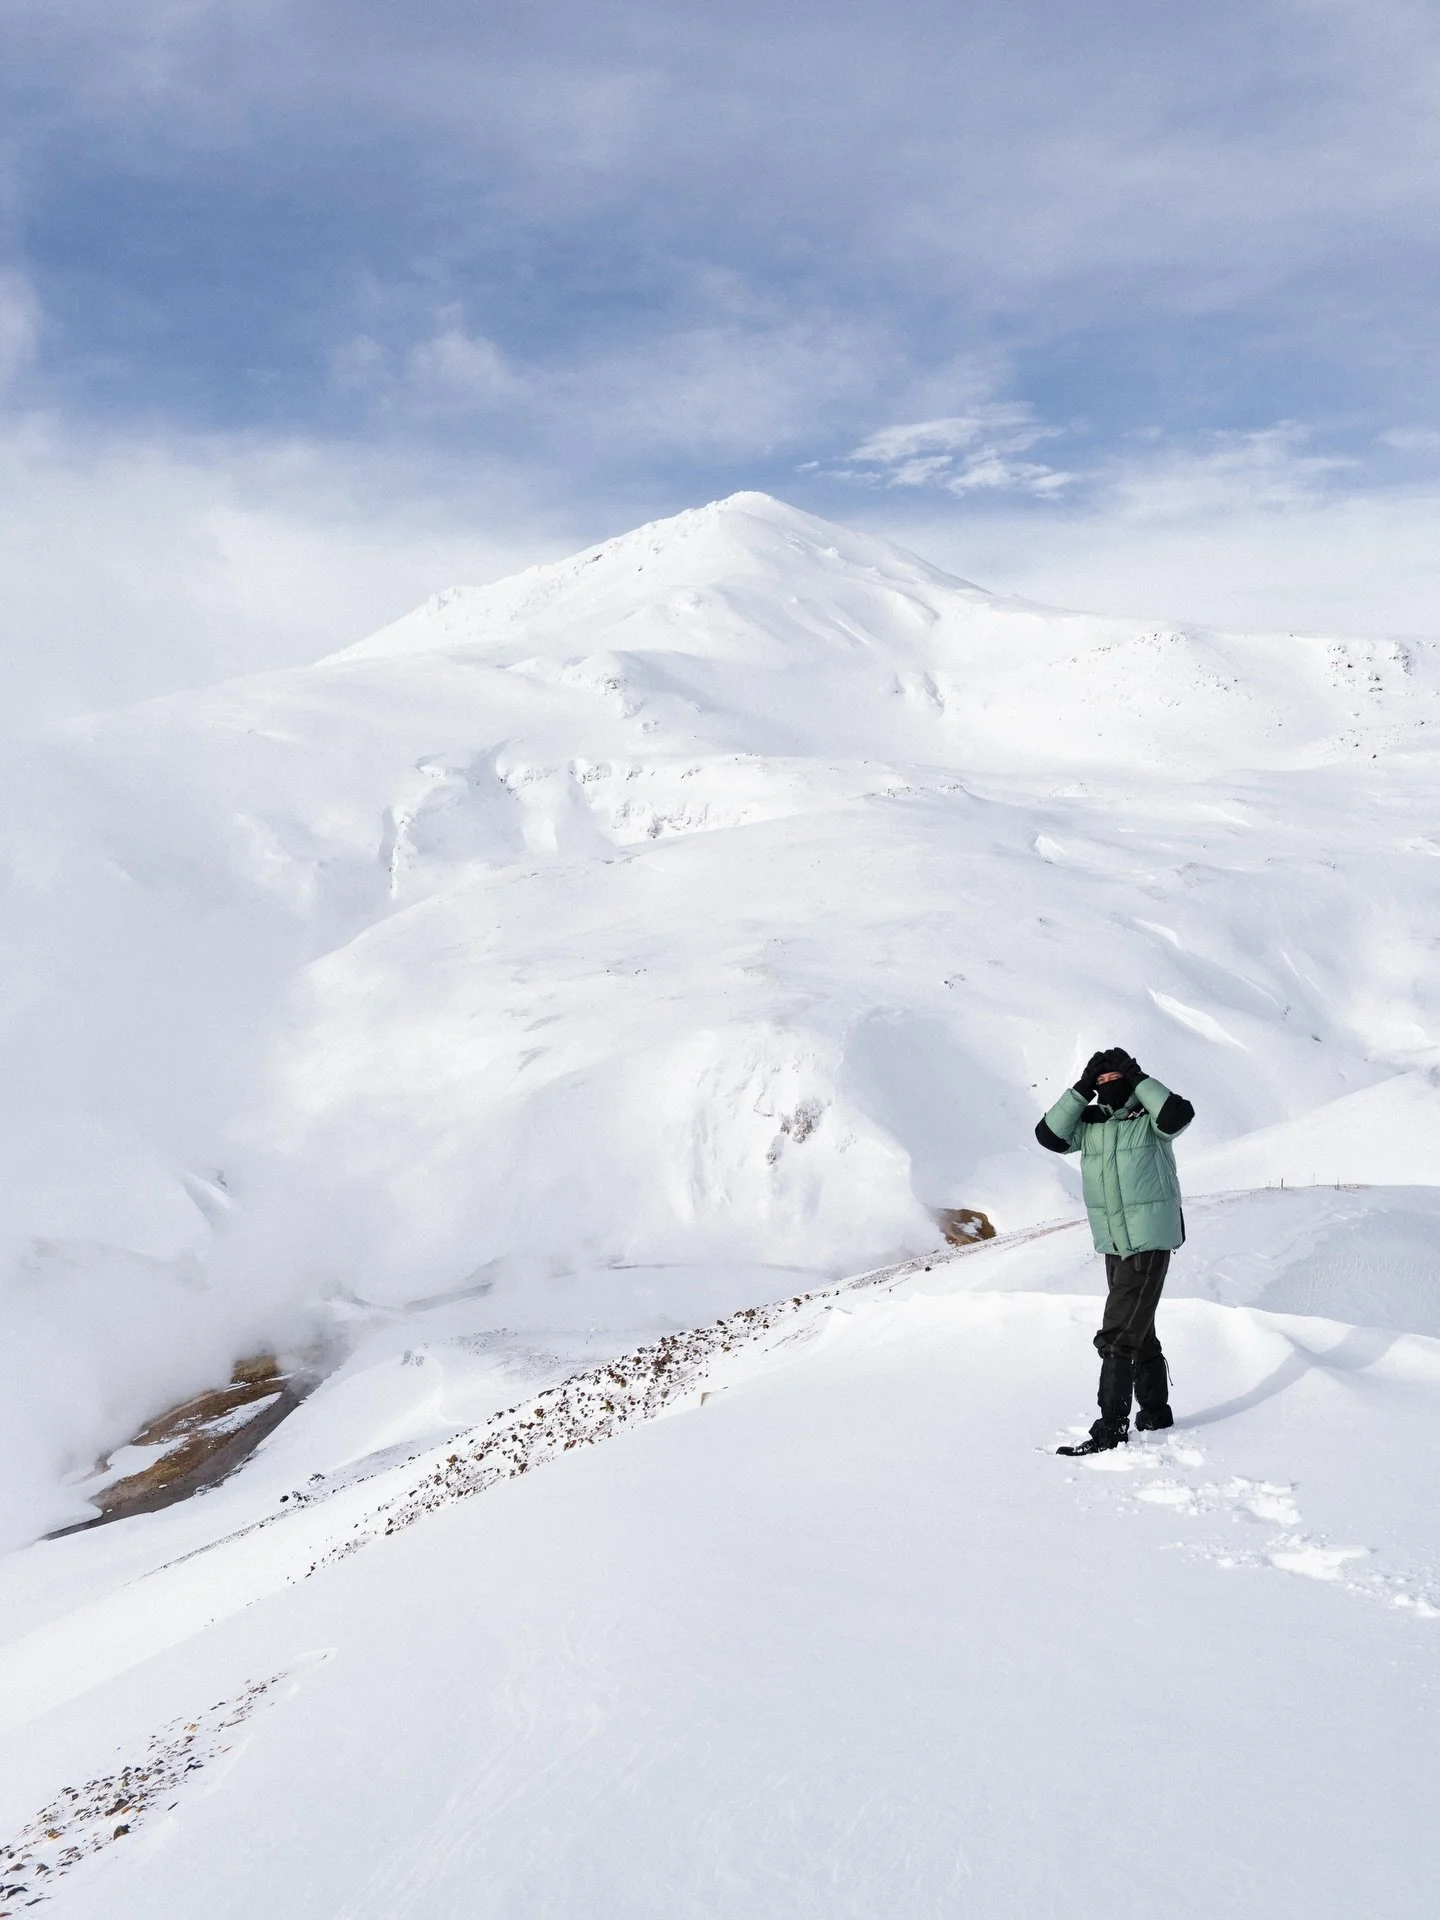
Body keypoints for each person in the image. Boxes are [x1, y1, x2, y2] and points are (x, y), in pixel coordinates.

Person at [1035, 1048, 1194, 1455]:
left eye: (1114, 1078)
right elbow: (1048, 1135)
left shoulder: (1149, 1119)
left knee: (1118, 1334)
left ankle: (1110, 1428)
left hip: (1150, 1238)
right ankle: (1155, 1414)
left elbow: (1178, 1114)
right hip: (1114, 1243)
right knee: (1138, 1330)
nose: (1108, 1085)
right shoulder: (1091, 1124)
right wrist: (1080, 1089)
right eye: (1100, 1081)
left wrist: (1138, 1077)